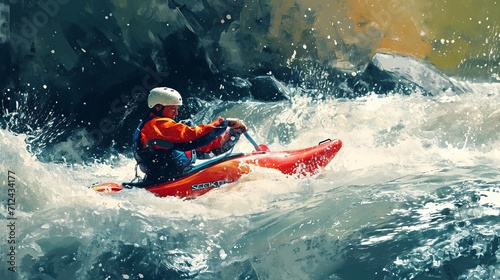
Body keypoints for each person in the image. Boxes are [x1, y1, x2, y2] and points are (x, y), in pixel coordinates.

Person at [133, 87, 248, 183]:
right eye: (173, 109)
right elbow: (194, 136)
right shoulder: (157, 125)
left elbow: (200, 146)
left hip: (164, 177)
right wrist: (225, 122)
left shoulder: (151, 126)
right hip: (171, 179)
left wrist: (233, 134)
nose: (176, 113)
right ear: (158, 107)